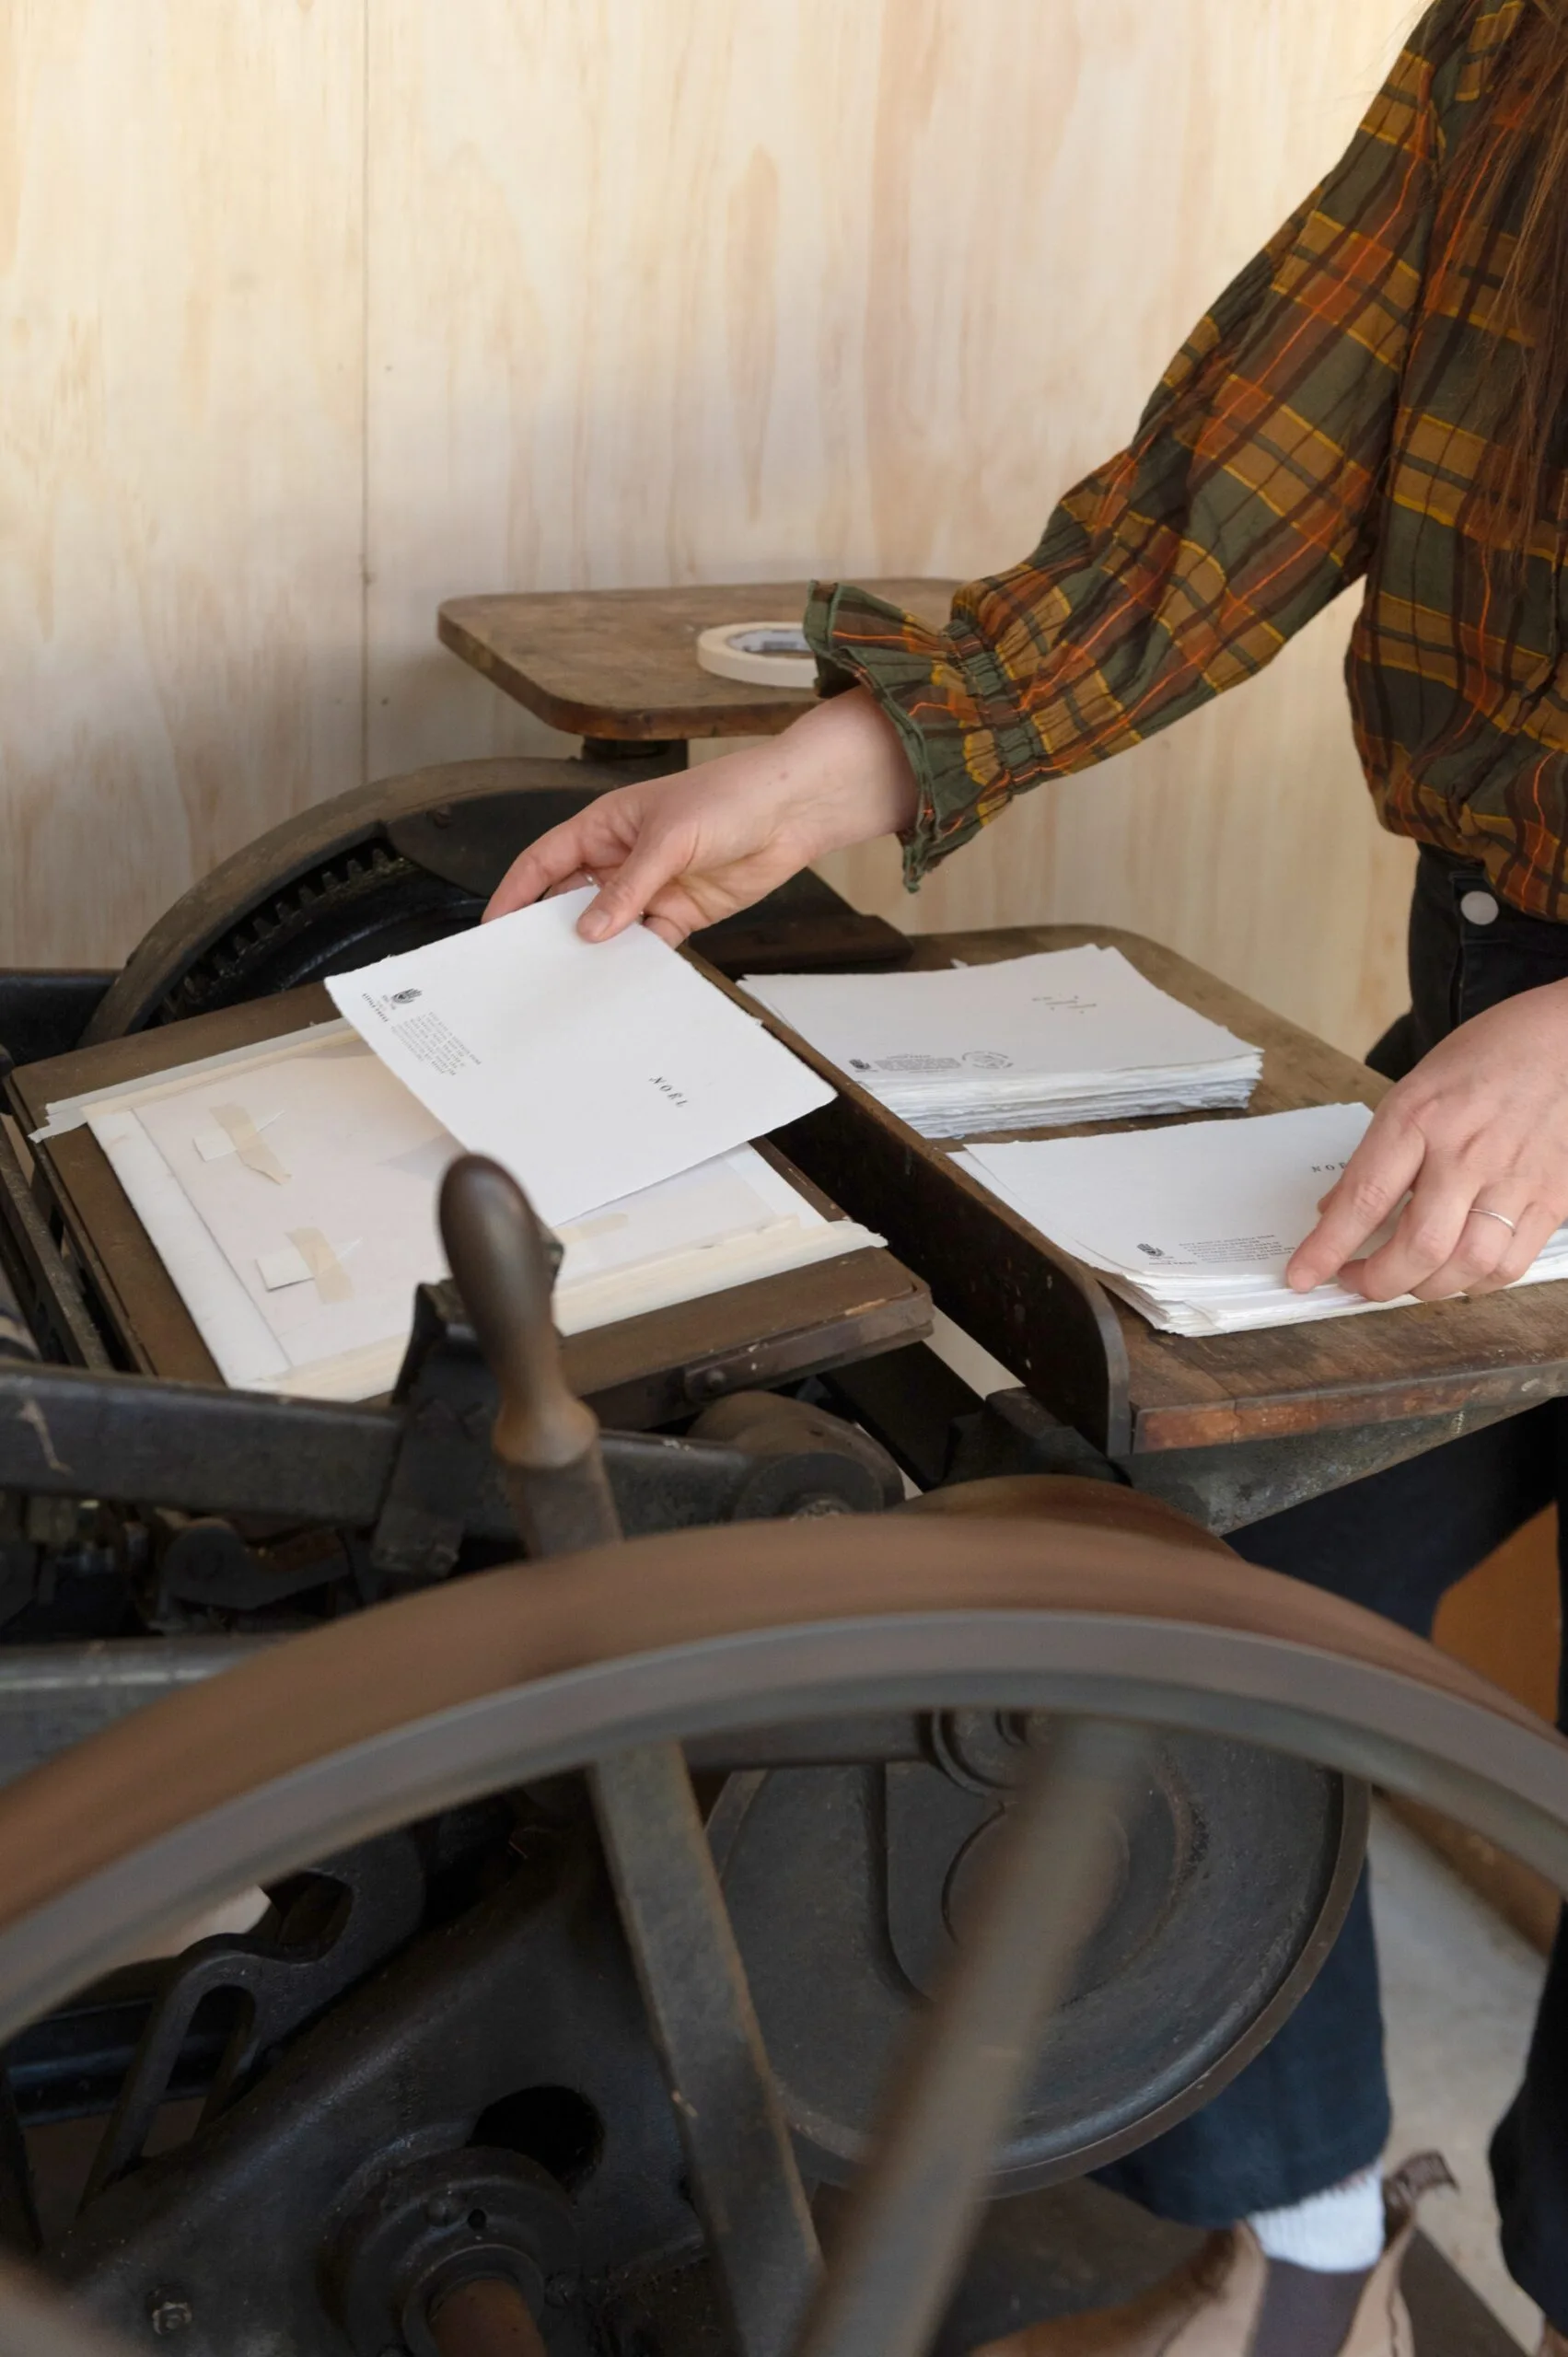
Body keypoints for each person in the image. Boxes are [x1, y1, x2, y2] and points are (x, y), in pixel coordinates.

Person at [487, 4, 1568, 2350]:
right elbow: (1228, 485)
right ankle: (1299, 2237)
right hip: (1498, 1007)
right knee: (1172, 1599)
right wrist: (827, 770)